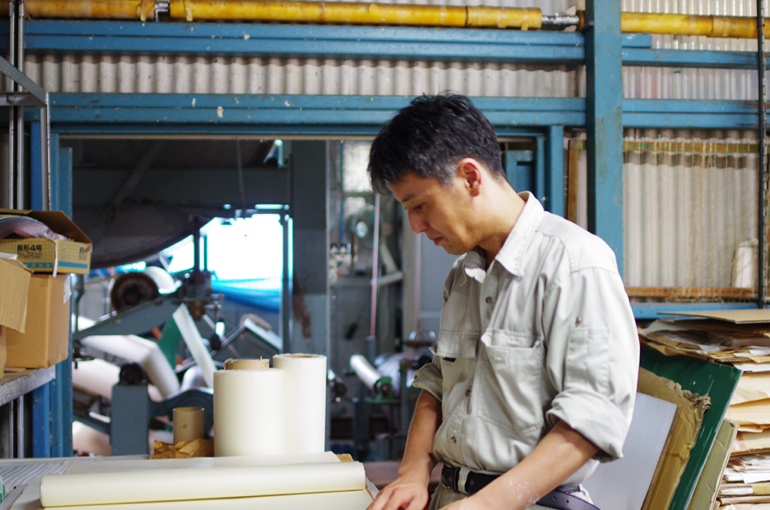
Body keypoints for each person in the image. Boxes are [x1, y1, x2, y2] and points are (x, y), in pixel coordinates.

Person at [365, 94, 639, 510]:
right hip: (452, 496)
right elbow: (438, 384)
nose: (416, 225)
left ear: (470, 177)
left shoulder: (574, 264)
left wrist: (485, 504)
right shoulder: (463, 274)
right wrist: (413, 473)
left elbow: (592, 419)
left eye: (419, 206)